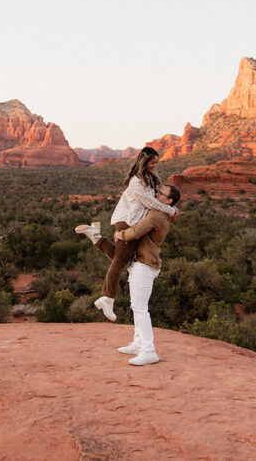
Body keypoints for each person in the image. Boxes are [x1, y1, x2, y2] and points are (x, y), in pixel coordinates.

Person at [76, 146, 177, 321]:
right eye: (152, 162)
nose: (155, 165)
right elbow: (151, 202)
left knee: (123, 259)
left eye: (156, 163)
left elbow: (157, 197)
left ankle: (96, 237)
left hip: (131, 222)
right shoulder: (137, 182)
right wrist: (171, 209)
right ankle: (107, 297)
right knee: (119, 263)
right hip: (128, 223)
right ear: (144, 161)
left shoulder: (149, 178)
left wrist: (170, 207)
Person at [111, 182, 180, 365]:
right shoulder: (162, 212)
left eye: (160, 193)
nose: (156, 195)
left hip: (145, 263)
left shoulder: (157, 214)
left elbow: (137, 231)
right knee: (136, 305)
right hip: (142, 261)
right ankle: (138, 343)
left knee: (140, 308)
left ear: (169, 200)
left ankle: (149, 350)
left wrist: (121, 235)